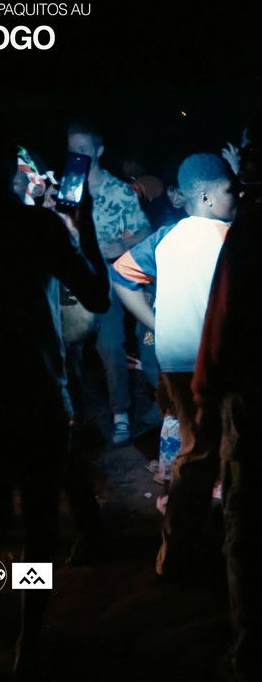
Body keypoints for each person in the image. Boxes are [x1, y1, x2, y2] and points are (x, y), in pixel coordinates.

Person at [0, 121, 109, 680]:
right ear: (13, 166)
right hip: (36, 391)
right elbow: (98, 297)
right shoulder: (38, 226)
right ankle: (28, 646)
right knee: (38, 526)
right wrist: (81, 227)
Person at [110, 153, 237, 584]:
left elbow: (121, 276)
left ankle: (181, 547)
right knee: (217, 451)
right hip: (215, 360)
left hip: (175, 361)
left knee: (194, 448)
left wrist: (154, 323)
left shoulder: (165, 238)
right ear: (207, 195)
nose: (235, 197)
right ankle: (190, 550)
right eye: (229, 189)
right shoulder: (231, 238)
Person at [192, 118, 262, 681]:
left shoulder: (249, 230)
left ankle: (249, 652)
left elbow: (222, 318)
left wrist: (205, 387)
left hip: (253, 397)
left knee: (247, 526)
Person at [67, 121, 152, 444]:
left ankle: (120, 414)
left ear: (99, 150)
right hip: (71, 278)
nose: (78, 155)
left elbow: (145, 232)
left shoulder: (119, 191)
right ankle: (72, 415)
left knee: (110, 345)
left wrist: (121, 245)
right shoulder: (66, 189)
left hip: (108, 278)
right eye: (72, 150)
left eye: (83, 149)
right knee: (68, 350)